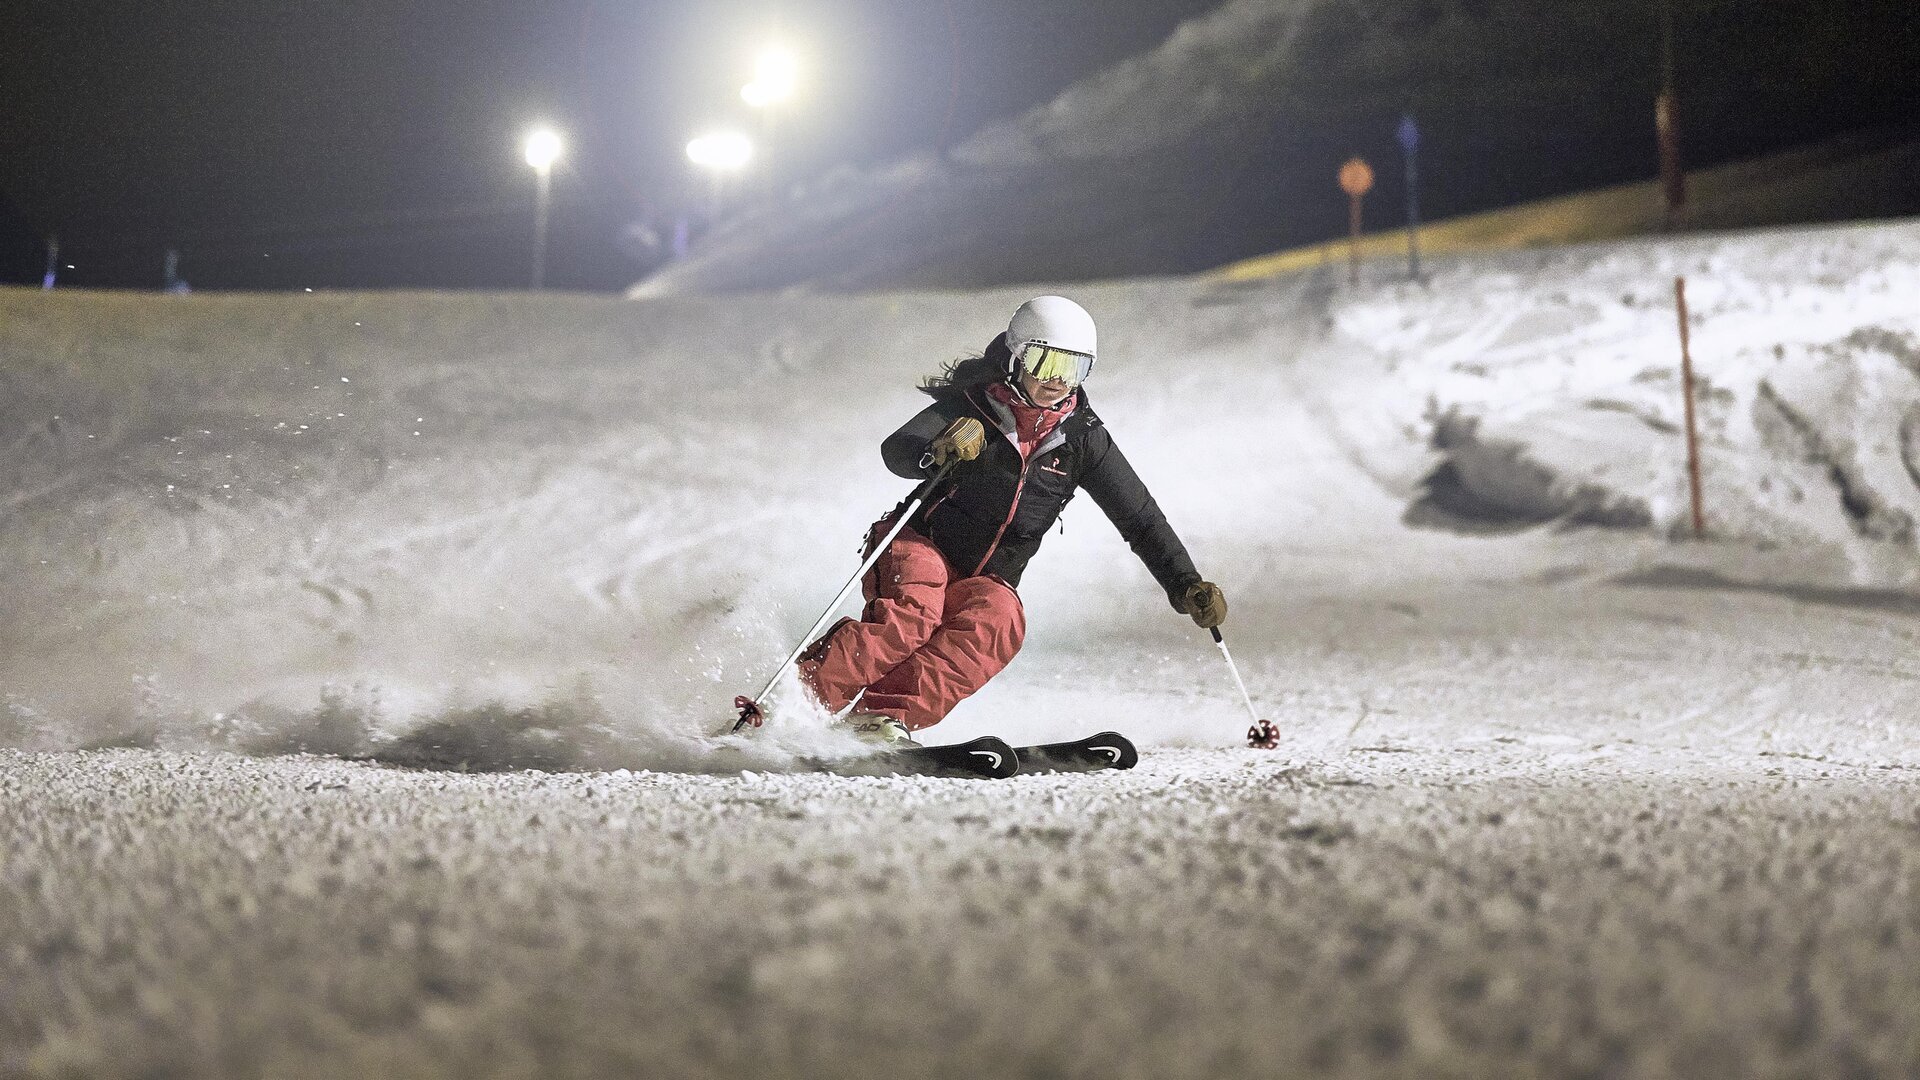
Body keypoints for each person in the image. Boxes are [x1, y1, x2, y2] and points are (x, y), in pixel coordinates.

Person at [797, 295, 1227, 744]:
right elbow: (897, 449)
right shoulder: (973, 406)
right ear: (1017, 357)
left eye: (1074, 369)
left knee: (999, 620)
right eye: (1046, 362)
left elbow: (1139, 517)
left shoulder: (1082, 438)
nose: (1058, 381)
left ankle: (879, 718)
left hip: (987, 576)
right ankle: (796, 700)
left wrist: (1184, 582)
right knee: (912, 615)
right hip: (920, 542)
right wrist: (937, 448)